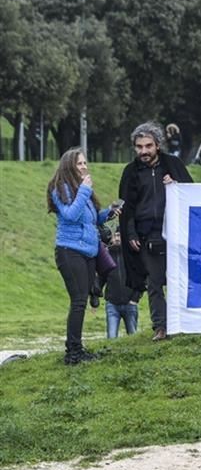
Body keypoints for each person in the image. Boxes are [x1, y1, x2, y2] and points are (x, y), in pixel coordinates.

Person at [119, 122, 193, 342]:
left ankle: (183, 322)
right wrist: (130, 233)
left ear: (158, 145)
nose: (144, 151)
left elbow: (192, 192)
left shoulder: (173, 164)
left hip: (175, 233)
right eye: (139, 147)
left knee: (178, 279)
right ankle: (160, 326)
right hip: (146, 235)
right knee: (154, 282)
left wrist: (176, 184)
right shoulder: (130, 172)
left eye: (148, 146)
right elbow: (126, 207)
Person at [47, 148, 119, 364]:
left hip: (88, 251)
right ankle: (73, 353)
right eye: (79, 163)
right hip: (70, 251)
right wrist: (85, 191)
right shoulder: (60, 188)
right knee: (78, 301)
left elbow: (90, 219)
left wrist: (109, 212)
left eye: (85, 163)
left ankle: (76, 347)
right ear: (69, 165)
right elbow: (70, 215)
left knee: (82, 300)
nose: (84, 167)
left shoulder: (80, 191)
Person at [99, 230, 141, 339]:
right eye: (114, 236)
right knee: (111, 337)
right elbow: (101, 279)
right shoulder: (106, 257)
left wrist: (135, 299)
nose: (117, 238)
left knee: (133, 338)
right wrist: (95, 297)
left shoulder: (132, 256)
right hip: (112, 305)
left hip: (130, 304)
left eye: (119, 235)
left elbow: (141, 279)